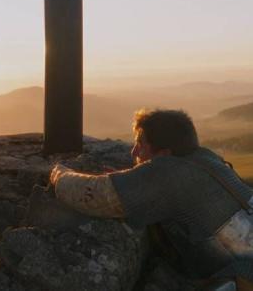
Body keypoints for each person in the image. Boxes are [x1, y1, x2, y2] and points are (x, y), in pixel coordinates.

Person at [50, 109, 253, 288]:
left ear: (164, 154)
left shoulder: (168, 173)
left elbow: (97, 195)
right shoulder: (207, 159)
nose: (134, 151)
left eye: (140, 143)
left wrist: (58, 174)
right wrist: (136, 178)